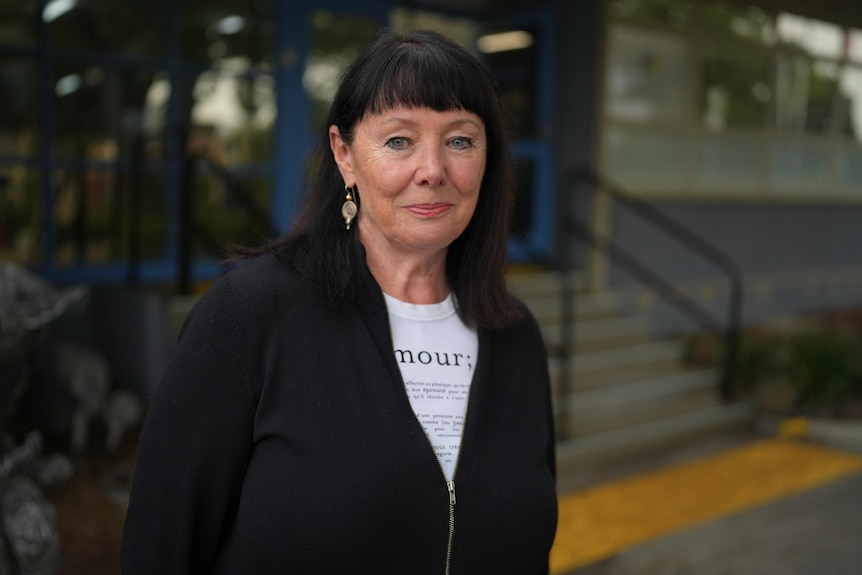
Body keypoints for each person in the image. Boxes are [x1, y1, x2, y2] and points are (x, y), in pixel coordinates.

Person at [120, 28, 558, 574]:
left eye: (460, 140)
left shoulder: (515, 336)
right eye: (399, 140)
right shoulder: (251, 314)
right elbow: (160, 550)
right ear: (345, 154)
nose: (433, 169)